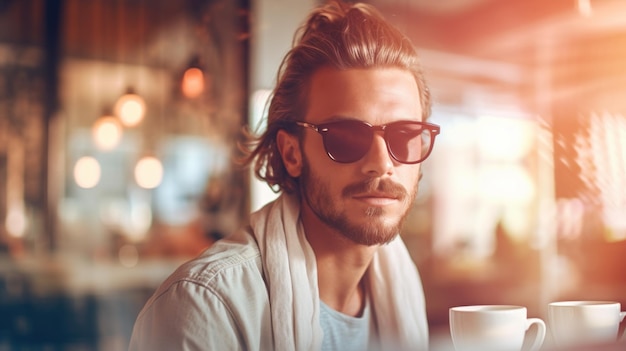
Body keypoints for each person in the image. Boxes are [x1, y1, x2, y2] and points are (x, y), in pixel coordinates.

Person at [129, 1, 440, 350]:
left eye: (404, 136)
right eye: (346, 137)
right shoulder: (206, 308)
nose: (382, 163)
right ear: (292, 153)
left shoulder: (402, 283)